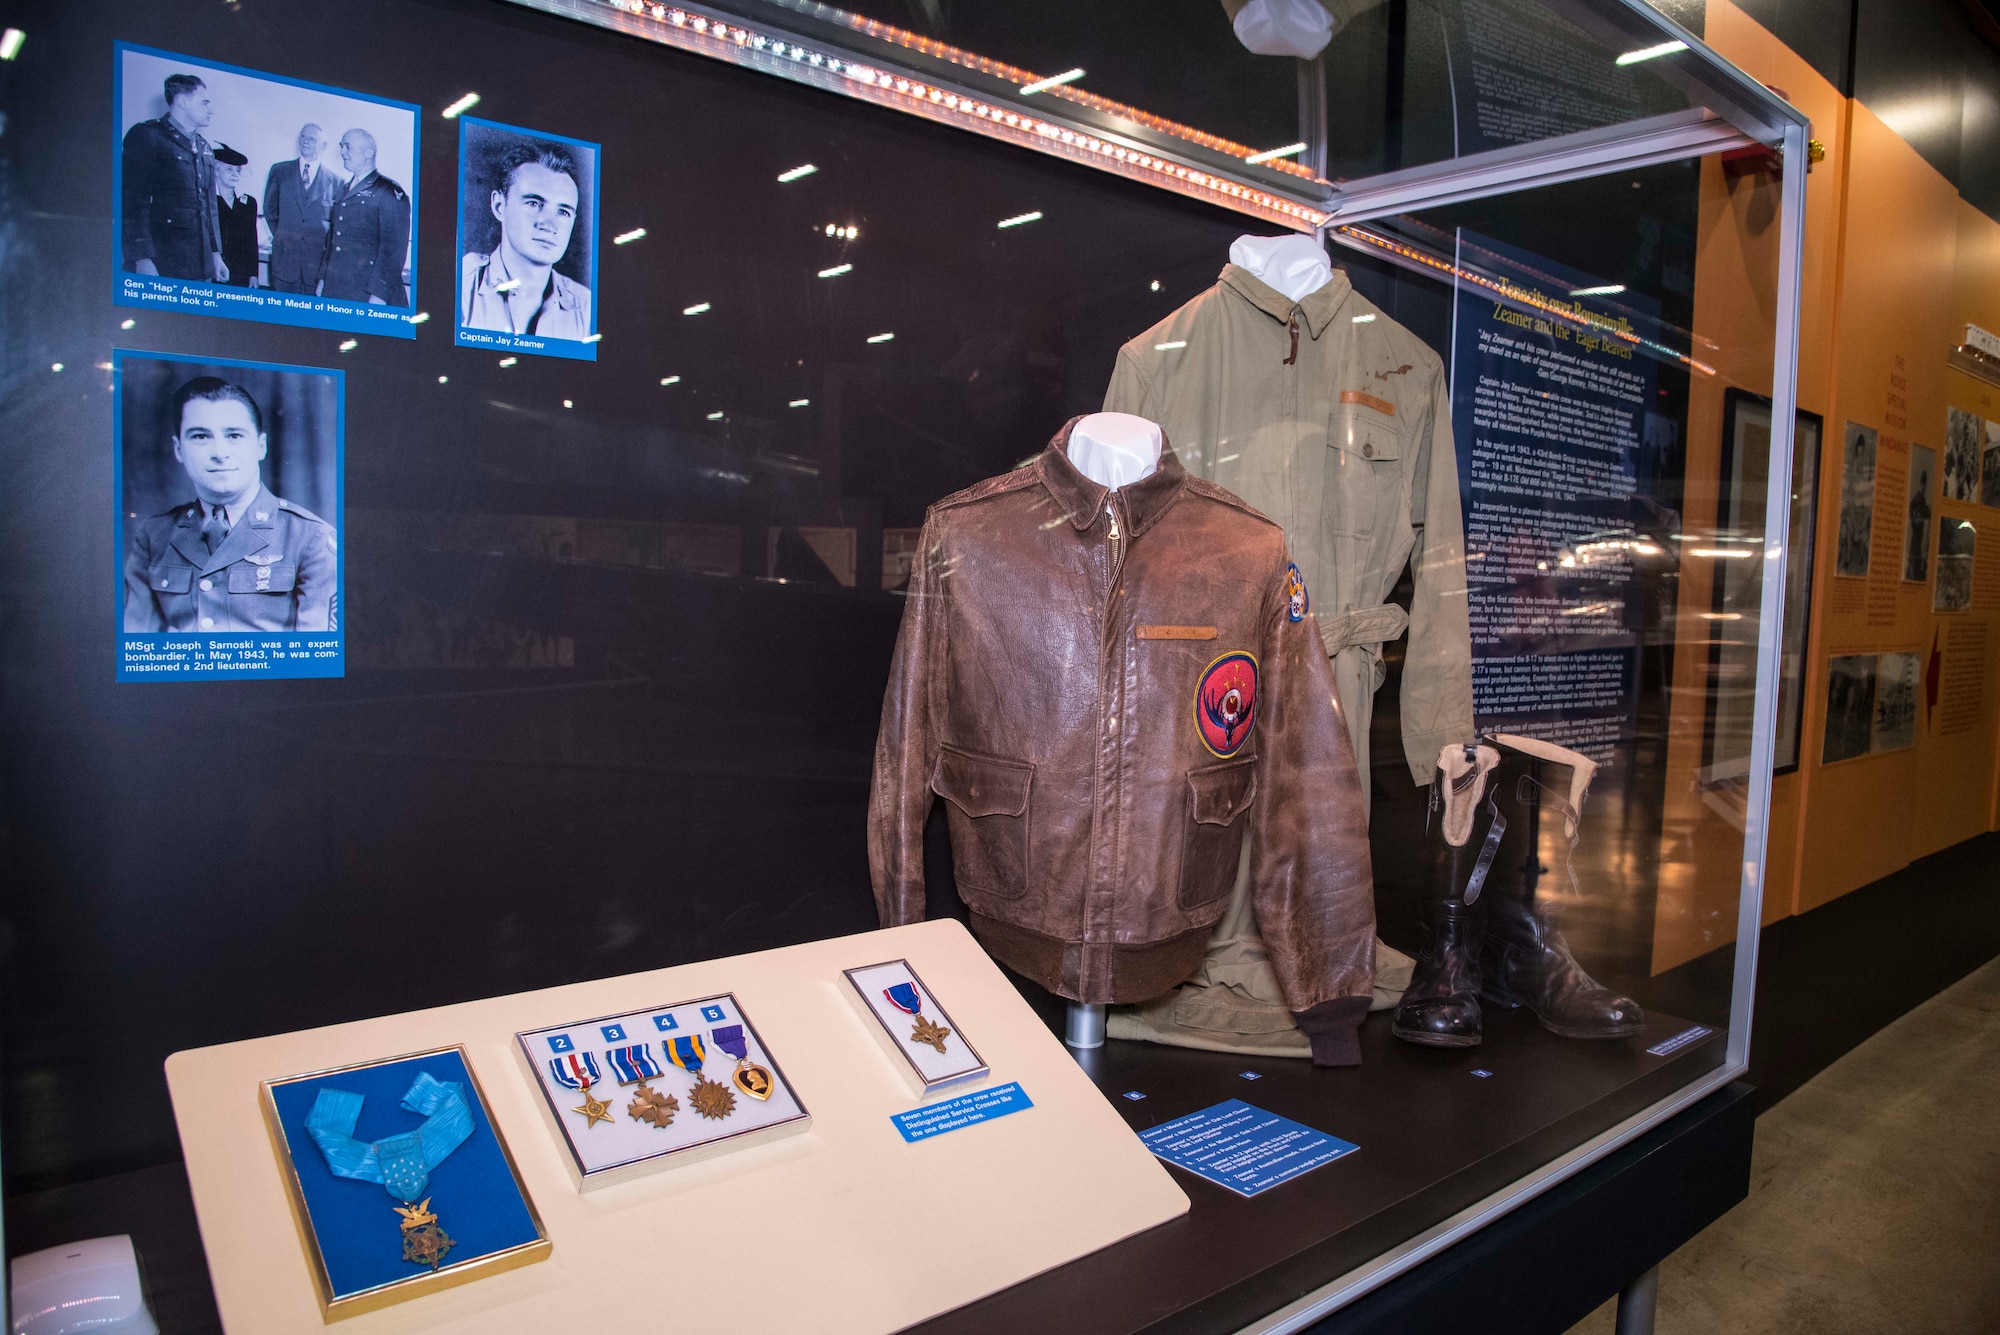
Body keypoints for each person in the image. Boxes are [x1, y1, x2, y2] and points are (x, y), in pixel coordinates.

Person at [123, 378, 337, 633]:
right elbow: (139, 648)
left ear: (260, 446)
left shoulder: (310, 538)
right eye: (201, 436)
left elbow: (316, 660)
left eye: (234, 435)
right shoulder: (153, 537)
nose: (219, 452)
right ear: (179, 449)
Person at [460, 138, 592, 339]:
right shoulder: (460, 286)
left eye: (563, 212)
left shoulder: (587, 307)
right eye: (533, 203)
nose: (548, 224)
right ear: (499, 206)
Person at [120, 72, 225, 282]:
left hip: (200, 264)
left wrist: (215, 254)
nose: (210, 110)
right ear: (183, 102)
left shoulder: (204, 147)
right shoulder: (148, 136)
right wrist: (141, 258)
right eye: (204, 103)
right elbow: (133, 202)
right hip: (162, 262)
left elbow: (209, 206)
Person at [317, 128, 409, 304]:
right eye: (341, 146)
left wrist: (380, 294)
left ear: (368, 153)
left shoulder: (388, 191)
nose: (342, 152)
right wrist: (323, 277)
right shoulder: (345, 188)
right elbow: (333, 240)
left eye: (347, 147)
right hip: (337, 287)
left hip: (367, 292)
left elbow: (393, 250)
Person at [263, 123, 341, 294]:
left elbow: (335, 227)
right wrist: (283, 235)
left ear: (323, 146)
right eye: (303, 137)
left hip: (315, 269)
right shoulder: (279, 171)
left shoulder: (336, 182)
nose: (305, 141)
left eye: (311, 138)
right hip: (284, 263)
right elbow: (270, 210)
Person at [211, 145, 259, 289]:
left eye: (238, 170)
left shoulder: (248, 202)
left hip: (240, 274)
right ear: (216, 171)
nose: (235, 174)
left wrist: (253, 274)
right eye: (229, 169)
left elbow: (251, 240)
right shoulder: (208, 201)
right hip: (214, 271)